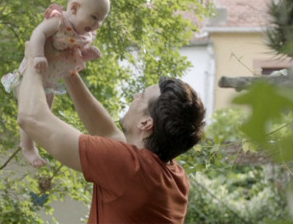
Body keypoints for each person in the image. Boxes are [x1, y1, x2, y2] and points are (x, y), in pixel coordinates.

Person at [17, 42, 206, 223]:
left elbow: (31, 117)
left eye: (141, 96)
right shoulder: (174, 176)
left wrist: (33, 54)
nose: (134, 96)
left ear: (146, 122)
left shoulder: (130, 169)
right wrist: (69, 69)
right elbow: (105, 132)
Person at [1, 0, 110, 167]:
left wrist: (87, 56)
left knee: (45, 116)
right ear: (74, 8)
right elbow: (38, 34)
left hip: (49, 82)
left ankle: (38, 142)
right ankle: (27, 147)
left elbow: (72, 58)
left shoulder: (81, 35)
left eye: (101, 20)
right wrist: (37, 55)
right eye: (94, 17)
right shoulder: (58, 21)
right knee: (31, 115)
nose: (97, 24)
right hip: (31, 74)